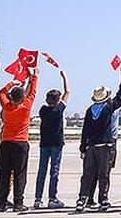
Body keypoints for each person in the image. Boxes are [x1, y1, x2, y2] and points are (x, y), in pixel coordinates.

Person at [76, 66, 121, 212]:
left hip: (91, 146)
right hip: (105, 145)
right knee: (103, 174)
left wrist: (83, 147)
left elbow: (85, 130)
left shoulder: (89, 110)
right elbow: (120, 96)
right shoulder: (108, 106)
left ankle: (82, 199)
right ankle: (103, 200)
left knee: (87, 174)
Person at [0, 66, 37, 213]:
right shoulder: (26, 106)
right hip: (20, 142)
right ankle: (18, 202)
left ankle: (1, 203)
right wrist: (34, 77)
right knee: (20, 173)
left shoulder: (6, 106)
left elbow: (1, 92)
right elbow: (33, 91)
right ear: (22, 97)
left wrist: (14, 81)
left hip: (6, 142)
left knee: (4, 173)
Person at [33, 70, 69, 210]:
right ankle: (52, 197)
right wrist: (64, 77)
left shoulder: (43, 110)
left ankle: (38, 198)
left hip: (44, 144)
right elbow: (67, 92)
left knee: (41, 171)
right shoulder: (59, 109)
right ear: (58, 100)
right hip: (57, 143)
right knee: (54, 170)